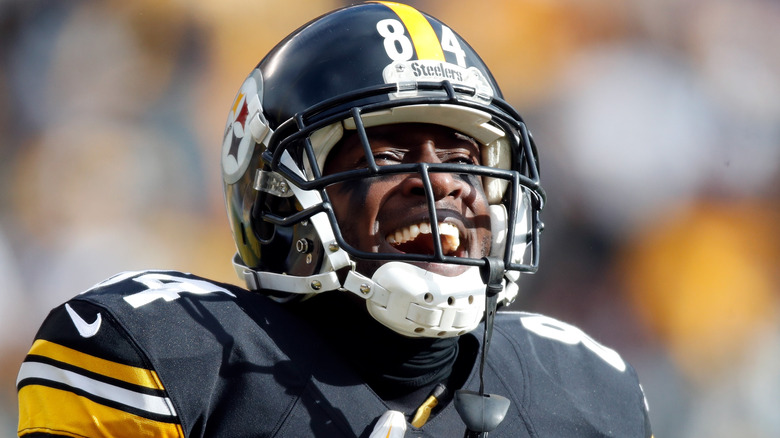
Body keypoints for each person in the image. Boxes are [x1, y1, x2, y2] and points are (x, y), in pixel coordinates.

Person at [16, 2, 652, 437]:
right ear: (278, 196)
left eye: (463, 158)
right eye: (391, 153)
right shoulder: (164, 357)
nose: (445, 185)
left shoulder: (585, 391)